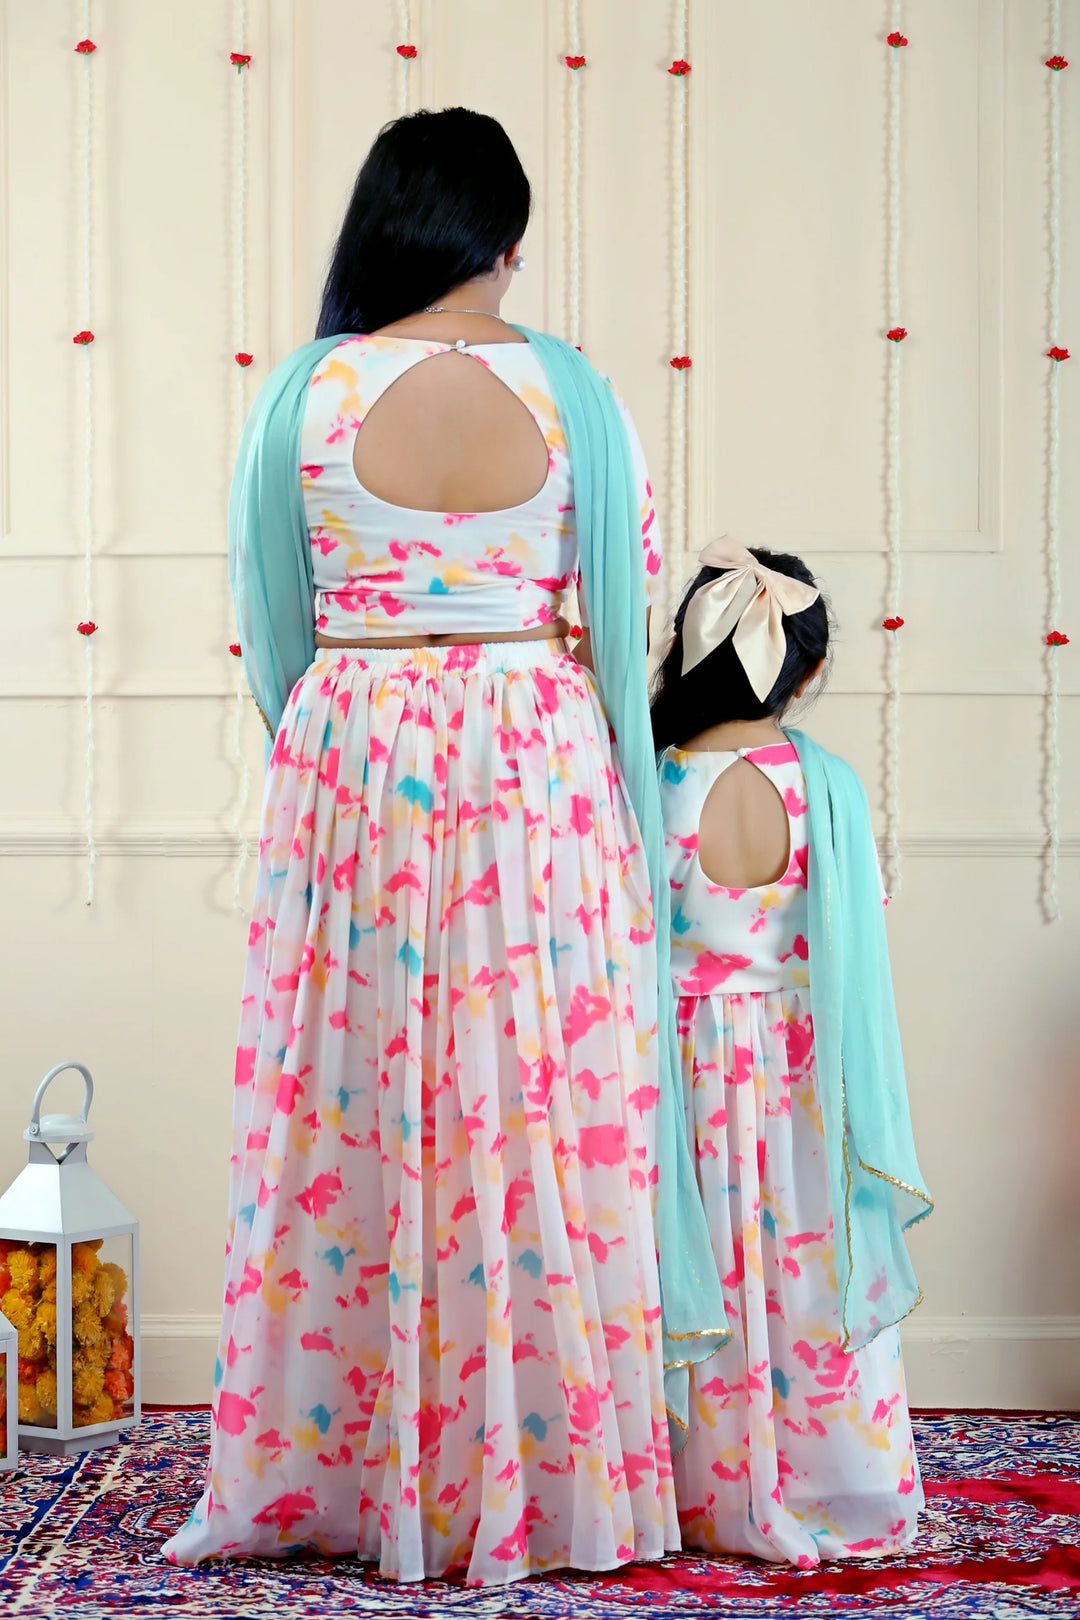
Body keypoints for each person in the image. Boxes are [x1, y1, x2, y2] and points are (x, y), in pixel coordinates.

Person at [163, 108, 724, 1585]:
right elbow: (623, 606)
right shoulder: (579, 396)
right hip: (537, 747)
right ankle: (546, 1471)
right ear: (506, 237)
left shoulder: (306, 394)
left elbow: (272, 626)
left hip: (355, 744)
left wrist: (355, 726)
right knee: (538, 1099)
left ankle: (343, 1467)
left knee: (351, 1095)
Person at [651, 539, 932, 1565]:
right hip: (803, 1068)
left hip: (681, 1065)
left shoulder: (652, 781)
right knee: (809, 1265)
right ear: (803, 670)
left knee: (693, 1263)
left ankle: (689, 1488)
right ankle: (830, 1478)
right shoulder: (830, 788)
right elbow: (859, 930)